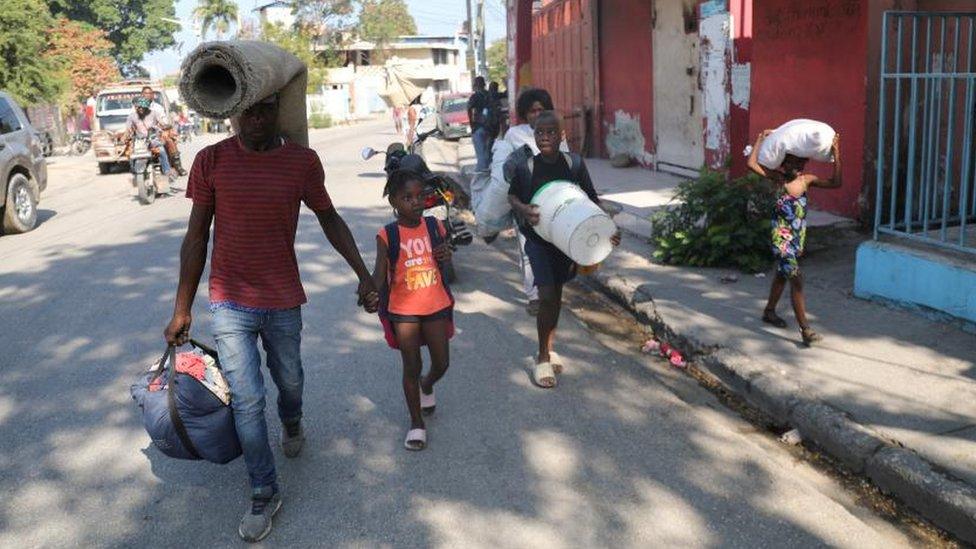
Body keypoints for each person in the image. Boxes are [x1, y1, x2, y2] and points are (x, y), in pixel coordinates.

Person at [164, 93, 379, 542]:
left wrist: (364, 275)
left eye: (265, 110)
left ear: (278, 111)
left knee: (291, 380)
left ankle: (294, 419)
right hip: (229, 301)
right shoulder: (211, 160)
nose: (256, 119)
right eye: (248, 110)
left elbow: (329, 218)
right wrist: (182, 308)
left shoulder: (302, 162)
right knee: (246, 400)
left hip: (283, 299)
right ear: (235, 111)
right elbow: (195, 238)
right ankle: (263, 490)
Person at [506, 111, 620, 388]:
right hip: (538, 240)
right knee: (545, 295)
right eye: (540, 133)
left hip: (566, 241)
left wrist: (608, 228)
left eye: (551, 132)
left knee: (556, 295)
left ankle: (549, 346)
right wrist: (524, 209)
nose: (545, 137)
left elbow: (591, 200)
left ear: (562, 136)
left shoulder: (574, 164)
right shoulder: (527, 167)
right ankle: (542, 357)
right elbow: (512, 196)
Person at [372, 169, 454, 451]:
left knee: (442, 362)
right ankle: (416, 423)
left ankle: (427, 384)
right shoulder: (387, 235)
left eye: (420, 196)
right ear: (394, 201)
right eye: (408, 197)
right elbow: (378, 274)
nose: (416, 202)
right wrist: (368, 291)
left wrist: (445, 254)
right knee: (411, 365)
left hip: (435, 305)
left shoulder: (434, 226)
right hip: (404, 310)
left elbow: (443, 255)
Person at [747, 130, 842, 346]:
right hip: (781, 239)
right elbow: (751, 164)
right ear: (783, 162)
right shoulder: (777, 179)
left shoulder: (807, 181)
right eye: (792, 162)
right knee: (796, 279)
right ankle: (805, 330)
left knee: (782, 274)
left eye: (800, 162)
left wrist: (837, 153)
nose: (797, 166)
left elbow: (836, 182)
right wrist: (760, 138)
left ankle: (769, 311)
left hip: (796, 241)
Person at [494, 88, 569, 316]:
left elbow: (567, 160)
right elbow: (505, 168)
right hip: (526, 203)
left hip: (555, 201)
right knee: (528, 251)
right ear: (525, 114)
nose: (537, 114)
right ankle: (534, 296)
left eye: (541, 109)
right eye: (532, 110)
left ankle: (551, 289)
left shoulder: (557, 132)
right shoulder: (514, 135)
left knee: (554, 248)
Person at [140, 86, 187, 176]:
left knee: (169, 140)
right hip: (141, 135)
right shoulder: (136, 107)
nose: (148, 95)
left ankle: (178, 166)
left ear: (153, 95)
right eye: (145, 93)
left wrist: (164, 128)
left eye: (150, 93)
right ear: (141, 95)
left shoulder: (158, 108)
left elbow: (164, 122)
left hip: (156, 133)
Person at [126, 97, 176, 178]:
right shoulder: (131, 117)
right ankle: (133, 170)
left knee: (162, 151)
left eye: (142, 107)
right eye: (138, 107)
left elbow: (162, 123)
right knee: (130, 154)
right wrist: (125, 137)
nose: (140, 109)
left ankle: (167, 170)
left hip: (153, 139)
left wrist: (166, 126)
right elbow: (128, 129)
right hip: (139, 141)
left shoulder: (154, 113)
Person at [467, 76, 491, 172]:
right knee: (488, 151)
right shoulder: (489, 95)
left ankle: (482, 173)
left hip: (478, 127)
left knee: (480, 153)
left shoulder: (475, 96)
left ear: (475, 85)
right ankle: (488, 170)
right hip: (490, 128)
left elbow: (469, 109)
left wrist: (471, 124)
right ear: (484, 85)